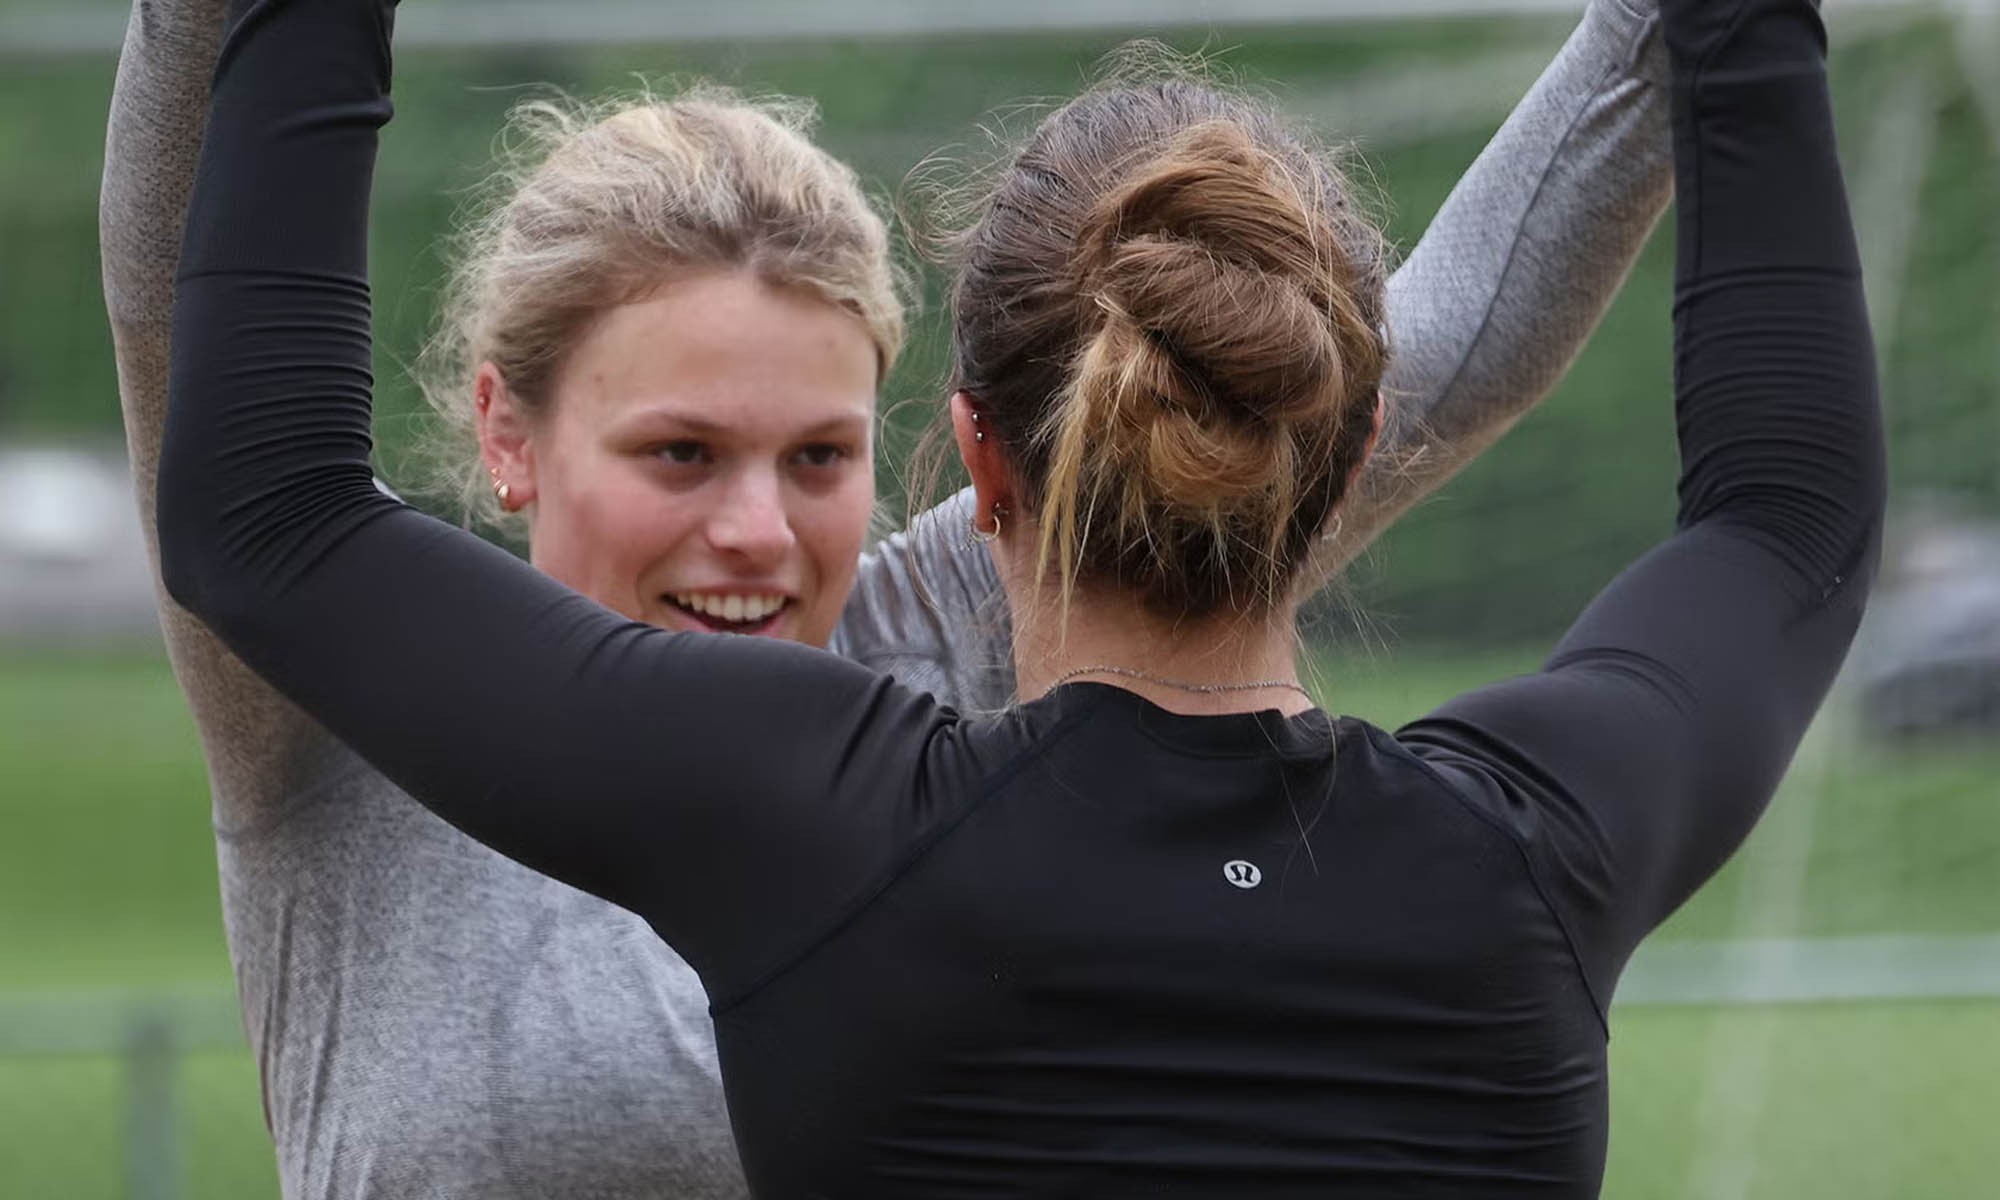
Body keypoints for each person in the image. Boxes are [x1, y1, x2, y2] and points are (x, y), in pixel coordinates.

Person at [158, 0, 1880, 1193]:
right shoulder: (1533, 854)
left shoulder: (814, 818)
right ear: (1356, 452)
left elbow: (263, 508)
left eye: (815, 457)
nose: (751, 529)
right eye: (683, 453)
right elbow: (1788, 520)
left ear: (970, 466)